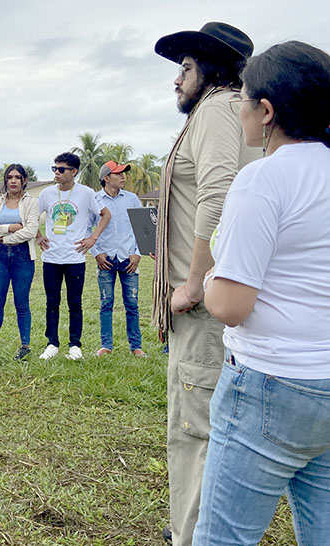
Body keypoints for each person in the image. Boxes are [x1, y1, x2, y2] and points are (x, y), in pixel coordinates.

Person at [195, 41, 330, 545]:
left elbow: (231, 306)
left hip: (272, 383)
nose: (240, 109)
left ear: (266, 111)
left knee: (224, 538)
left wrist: (207, 282)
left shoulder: (263, 179)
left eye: (243, 99)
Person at [152, 22, 259, 546]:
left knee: (196, 429)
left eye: (186, 67)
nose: (177, 78)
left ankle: (190, 537)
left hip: (201, 306)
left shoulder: (217, 108)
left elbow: (217, 197)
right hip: (207, 299)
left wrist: (192, 285)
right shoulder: (217, 110)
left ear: (212, 70)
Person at [36, 152, 110, 361]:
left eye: (61, 169)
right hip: (51, 257)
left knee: (75, 303)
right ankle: (52, 343)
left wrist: (92, 238)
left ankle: (75, 345)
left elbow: (105, 215)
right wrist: (39, 236)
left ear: (74, 172)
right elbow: (31, 216)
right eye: (55, 169)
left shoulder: (86, 193)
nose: (57, 173)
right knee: (52, 302)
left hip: (75, 258)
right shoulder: (47, 194)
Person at [0, 164, 39, 360]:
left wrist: (5, 237)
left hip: (23, 256)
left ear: (24, 180)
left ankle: (25, 345)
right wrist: (11, 228)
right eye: (10, 177)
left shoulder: (31, 202)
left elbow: (30, 231)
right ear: (5, 180)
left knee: (21, 302)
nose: (13, 181)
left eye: (17, 177)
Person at [88, 161, 146, 358]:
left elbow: (142, 229)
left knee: (132, 303)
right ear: (106, 178)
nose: (123, 177)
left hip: (129, 259)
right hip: (106, 259)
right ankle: (106, 345)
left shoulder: (132, 199)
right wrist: (96, 253)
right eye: (118, 173)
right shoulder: (94, 200)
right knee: (106, 302)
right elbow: (87, 230)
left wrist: (137, 254)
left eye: (124, 173)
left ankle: (136, 346)